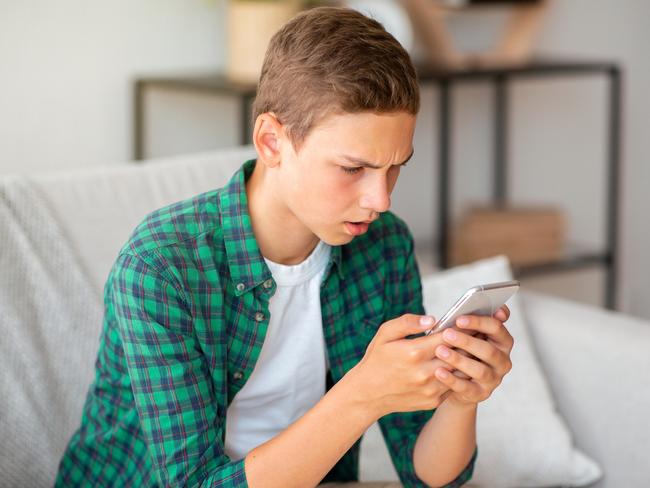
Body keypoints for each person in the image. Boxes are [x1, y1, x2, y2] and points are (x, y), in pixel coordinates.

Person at [56, 6, 513, 488]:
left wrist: (464, 398)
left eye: (395, 166)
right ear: (272, 141)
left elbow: (427, 476)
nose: (381, 199)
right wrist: (363, 394)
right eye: (353, 168)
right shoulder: (161, 267)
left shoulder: (383, 246)